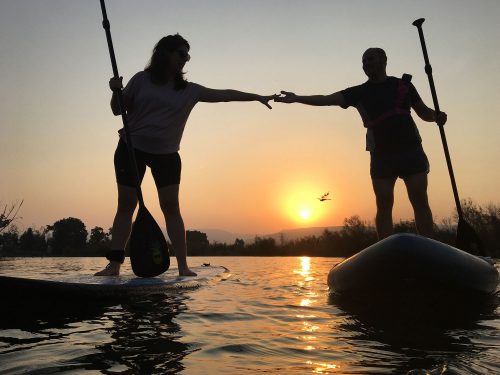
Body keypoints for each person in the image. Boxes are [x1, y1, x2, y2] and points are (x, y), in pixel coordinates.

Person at [96, 34, 276, 276]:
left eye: (187, 55)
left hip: (167, 154)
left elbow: (225, 95)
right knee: (127, 205)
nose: (185, 60)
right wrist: (115, 91)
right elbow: (118, 110)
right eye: (181, 54)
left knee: (171, 207)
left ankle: (182, 267)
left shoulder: (190, 90)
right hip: (131, 149)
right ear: (165, 54)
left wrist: (257, 97)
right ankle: (114, 265)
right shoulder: (141, 80)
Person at [275, 47, 447, 240]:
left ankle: (429, 246)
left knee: (420, 200)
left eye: (370, 59)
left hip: (411, 150)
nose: (366, 64)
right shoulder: (358, 92)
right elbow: (326, 100)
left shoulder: (403, 85)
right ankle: (385, 251)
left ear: (384, 60)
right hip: (382, 155)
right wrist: (297, 98)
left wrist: (436, 116)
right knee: (383, 203)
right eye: (364, 62)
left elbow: (423, 112)